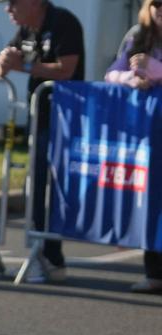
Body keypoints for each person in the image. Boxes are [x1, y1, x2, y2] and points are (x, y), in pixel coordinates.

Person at [0, 0, 84, 284]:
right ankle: (41, 254)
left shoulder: (63, 22)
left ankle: (52, 256)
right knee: (35, 184)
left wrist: (26, 66)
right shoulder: (25, 30)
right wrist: (3, 63)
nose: (8, 10)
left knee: (52, 189)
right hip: (38, 116)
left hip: (63, 119)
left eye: (12, 3)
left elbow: (67, 69)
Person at [106, 0, 162, 295]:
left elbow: (155, 71)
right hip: (149, 133)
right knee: (151, 199)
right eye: (157, 3)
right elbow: (111, 72)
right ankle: (154, 272)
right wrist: (132, 77)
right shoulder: (139, 36)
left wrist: (155, 70)